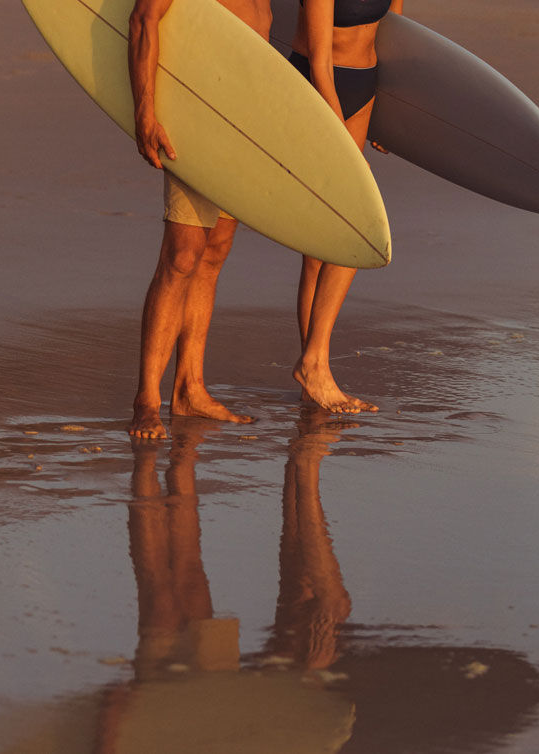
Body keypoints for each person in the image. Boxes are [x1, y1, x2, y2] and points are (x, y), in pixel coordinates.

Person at [127, 0, 272, 439]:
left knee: (213, 256)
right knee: (182, 257)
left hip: (242, 126)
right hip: (196, 117)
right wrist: (145, 111)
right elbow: (143, 18)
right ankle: (146, 399)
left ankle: (190, 388)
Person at [289, 0, 403, 414]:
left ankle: (312, 368)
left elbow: (396, 36)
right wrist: (340, 144)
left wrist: (391, 116)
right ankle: (314, 363)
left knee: (327, 243)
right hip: (317, 85)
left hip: (363, 82)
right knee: (349, 226)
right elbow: (319, 60)